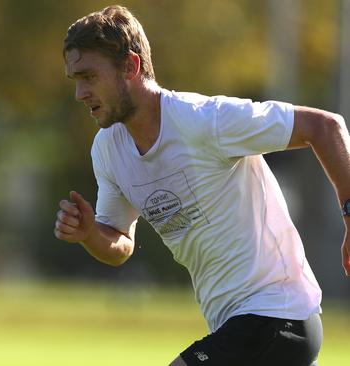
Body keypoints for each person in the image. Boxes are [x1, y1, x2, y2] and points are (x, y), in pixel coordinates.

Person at [54, 5, 350, 366]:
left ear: (130, 67)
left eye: (89, 77)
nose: (80, 93)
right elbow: (120, 242)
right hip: (239, 326)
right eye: (76, 80)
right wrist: (88, 234)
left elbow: (325, 127)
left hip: (279, 315)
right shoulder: (108, 149)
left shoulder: (204, 121)